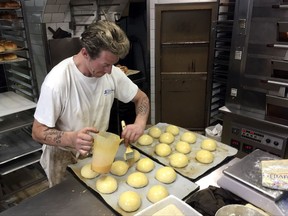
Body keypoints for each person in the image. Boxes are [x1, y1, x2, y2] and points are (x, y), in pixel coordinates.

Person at [32, 20, 150, 187]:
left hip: (97, 151)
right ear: (85, 53)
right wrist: (70, 138)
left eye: (113, 64)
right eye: (106, 64)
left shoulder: (112, 74)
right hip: (63, 156)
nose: (110, 71)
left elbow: (141, 98)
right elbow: (37, 131)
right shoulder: (58, 81)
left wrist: (139, 123)